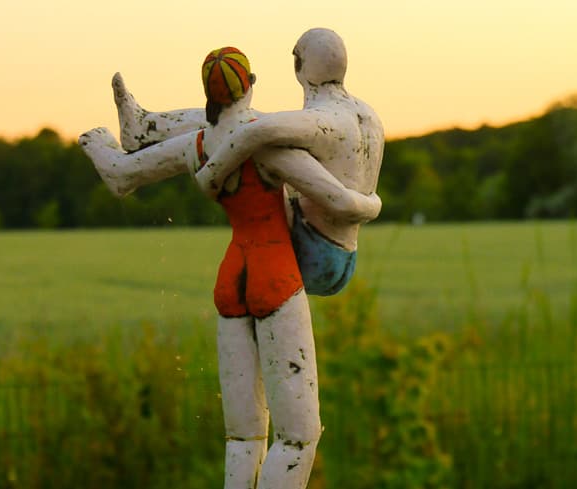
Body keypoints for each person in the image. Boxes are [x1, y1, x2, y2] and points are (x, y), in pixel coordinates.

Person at [80, 46, 375, 489]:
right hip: (274, 279)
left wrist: (104, 147)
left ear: (209, 98)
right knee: (298, 437)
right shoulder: (266, 149)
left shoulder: (199, 145)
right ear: (251, 85)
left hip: (230, 281)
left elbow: (127, 175)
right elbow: (336, 199)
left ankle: (140, 125)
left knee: (242, 434)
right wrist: (372, 204)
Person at [107, 27, 384, 296]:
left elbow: (255, 132)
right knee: (235, 118)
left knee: (234, 122)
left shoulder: (323, 119)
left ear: (299, 66)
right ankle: (144, 127)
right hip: (344, 255)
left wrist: (210, 175)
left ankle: (136, 149)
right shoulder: (368, 116)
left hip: (311, 251)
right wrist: (373, 202)